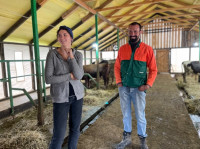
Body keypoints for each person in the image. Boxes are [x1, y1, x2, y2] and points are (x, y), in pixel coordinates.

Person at [114, 22, 157, 149]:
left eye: (135, 31)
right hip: (124, 88)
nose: (132, 34)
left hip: (139, 88)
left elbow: (153, 69)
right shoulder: (122, 49)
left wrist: (148, 85)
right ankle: (126, 138)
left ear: (140, 32)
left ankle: (142, 140)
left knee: (140, 114)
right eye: (130, 31)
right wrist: (118, 82)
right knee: (126, 113)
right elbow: (117, 67)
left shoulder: (147, 49)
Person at [45, 25, 84, 149]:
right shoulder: (52, 54)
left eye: (65, 35)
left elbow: (78, 75)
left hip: (77, 97)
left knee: (75, 129)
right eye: (59, 35)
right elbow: (48, 79)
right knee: (59, 134)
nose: (62, 38)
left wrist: (71, 56)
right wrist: (68, 76)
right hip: (60, 98)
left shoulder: (78, 55)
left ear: (71, 38)